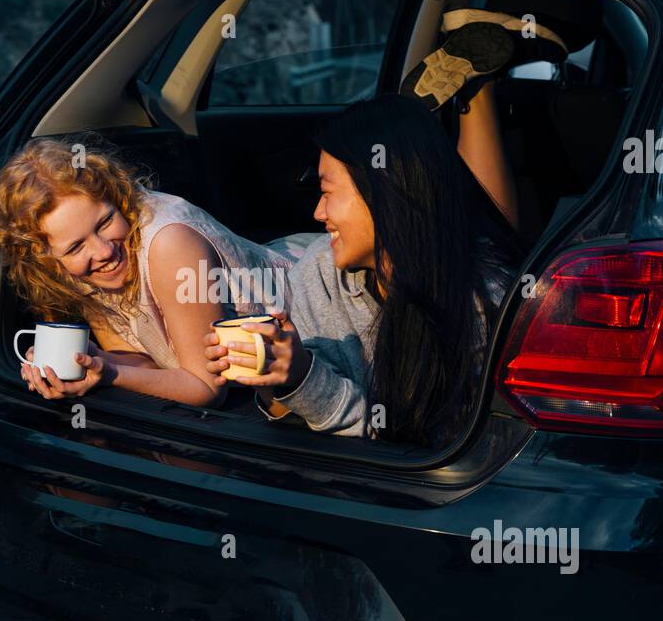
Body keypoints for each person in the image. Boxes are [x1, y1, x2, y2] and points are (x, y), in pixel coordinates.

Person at [204, 91, 525, 448]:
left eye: (327, 191)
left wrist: (305, 381)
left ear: (384, 192)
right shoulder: (321, 270)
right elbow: (300, 415)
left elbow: (425, 450)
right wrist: (277, 379)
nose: (318, 213)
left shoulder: (484, 300)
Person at [0, 135, 313, 408]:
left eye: (105, 222)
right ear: (47, 262)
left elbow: (205, 387)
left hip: (321, 314)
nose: (104, 251)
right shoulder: (78, 273)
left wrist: (111, 374)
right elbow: (146, 361)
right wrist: (90, 361)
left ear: (115, 198)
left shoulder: (170, 244)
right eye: (75, 248)